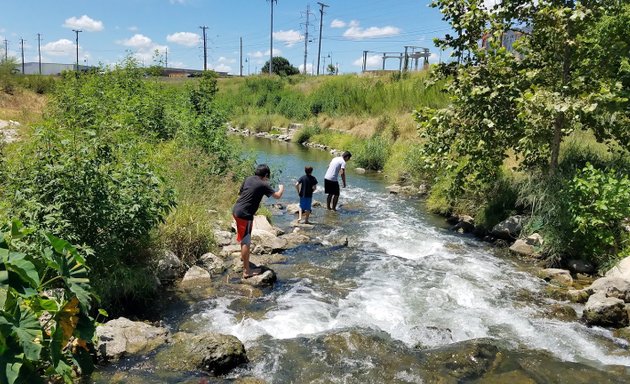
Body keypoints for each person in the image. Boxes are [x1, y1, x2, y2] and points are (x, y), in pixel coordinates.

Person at [233, 164, 284, 278]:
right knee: (246, 240)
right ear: (266, 175)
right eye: (267, 177)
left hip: (236, 210)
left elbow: (240, 193)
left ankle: (243, 258)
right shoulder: (263, 184)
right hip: (245, 214)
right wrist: (281, 188)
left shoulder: (248, 178)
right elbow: (277, 196)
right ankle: (247, 271)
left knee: (243, 236)